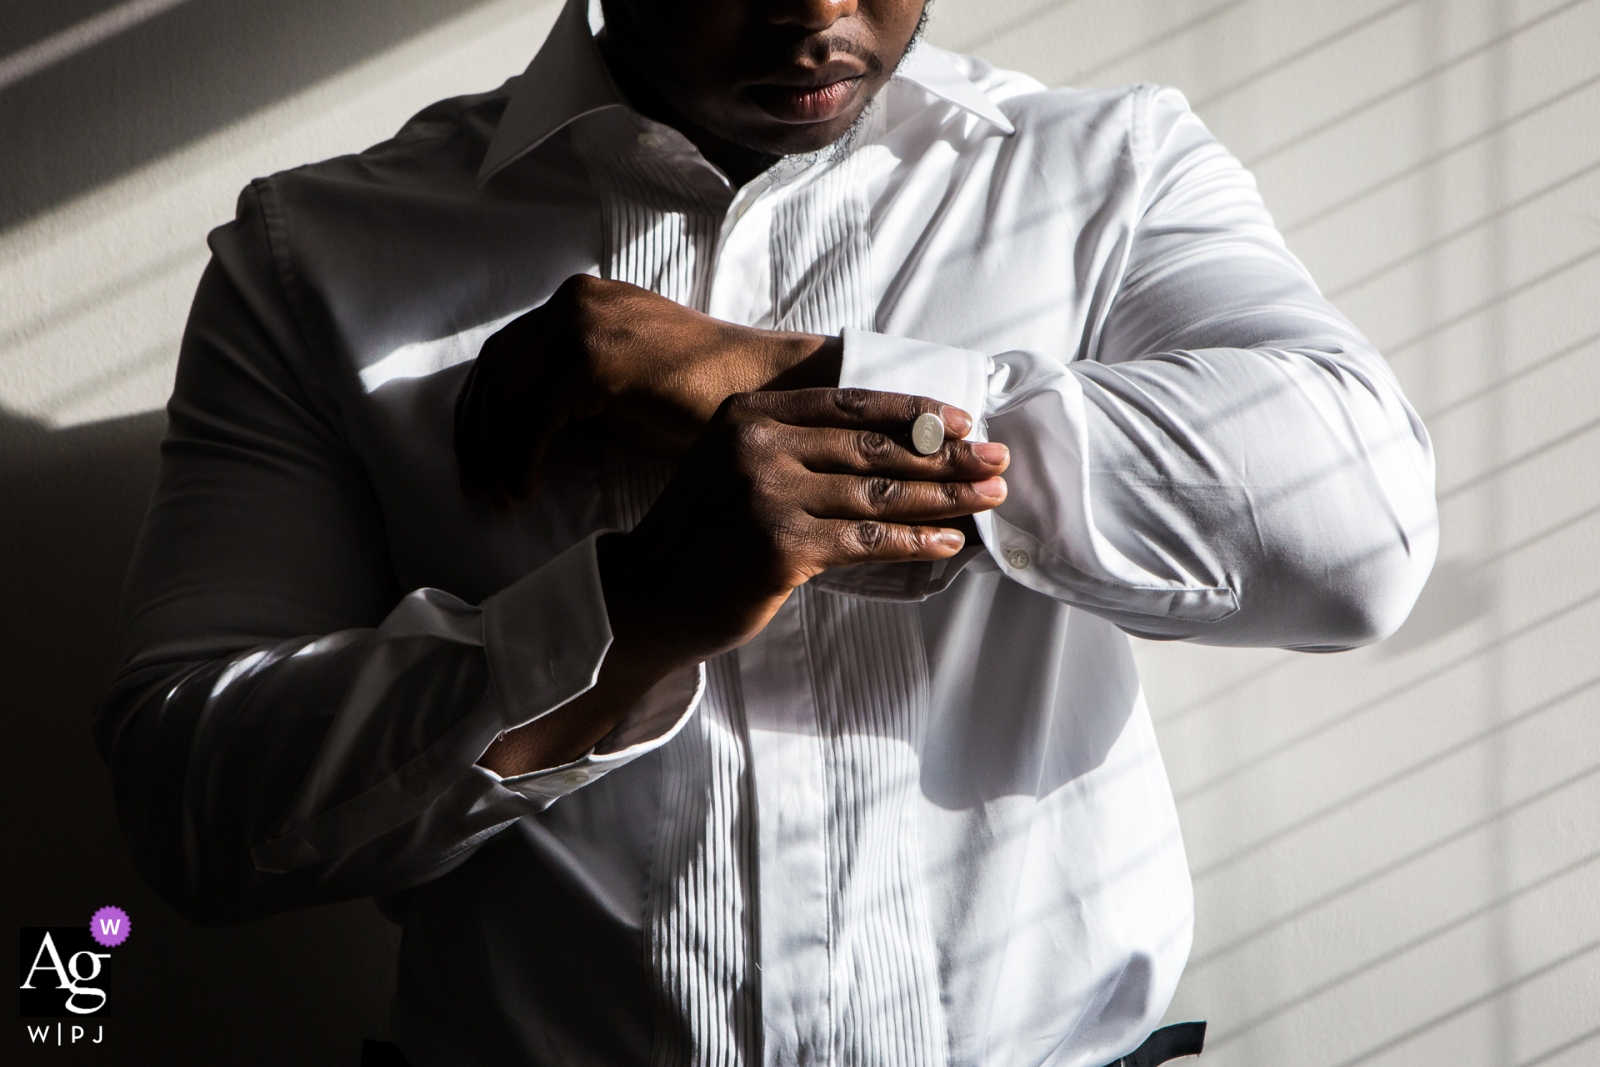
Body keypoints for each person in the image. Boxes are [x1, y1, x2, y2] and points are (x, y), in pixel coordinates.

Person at [95, 0, 1438, 1064]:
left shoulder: (1106, 172)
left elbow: (1358, 528)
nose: (815, 9)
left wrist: (789, 374)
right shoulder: (318, 255)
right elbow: (196, 802)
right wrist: (629, 620)